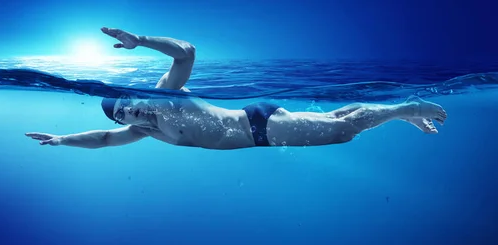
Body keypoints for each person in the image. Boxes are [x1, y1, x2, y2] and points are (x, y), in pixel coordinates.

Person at [25, 27, 447, 150]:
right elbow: (100, 138)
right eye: (126, 115)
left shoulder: (161, 95)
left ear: (135, 96)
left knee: (342, 132)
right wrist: (63, 139)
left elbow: (186, 53)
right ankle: (399, 113)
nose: (133, 114)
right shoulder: (143, 130)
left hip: (256, 127)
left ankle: (403, 109)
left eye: (130, 106)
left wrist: (141, 40)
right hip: (259, 129)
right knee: (335, 121)